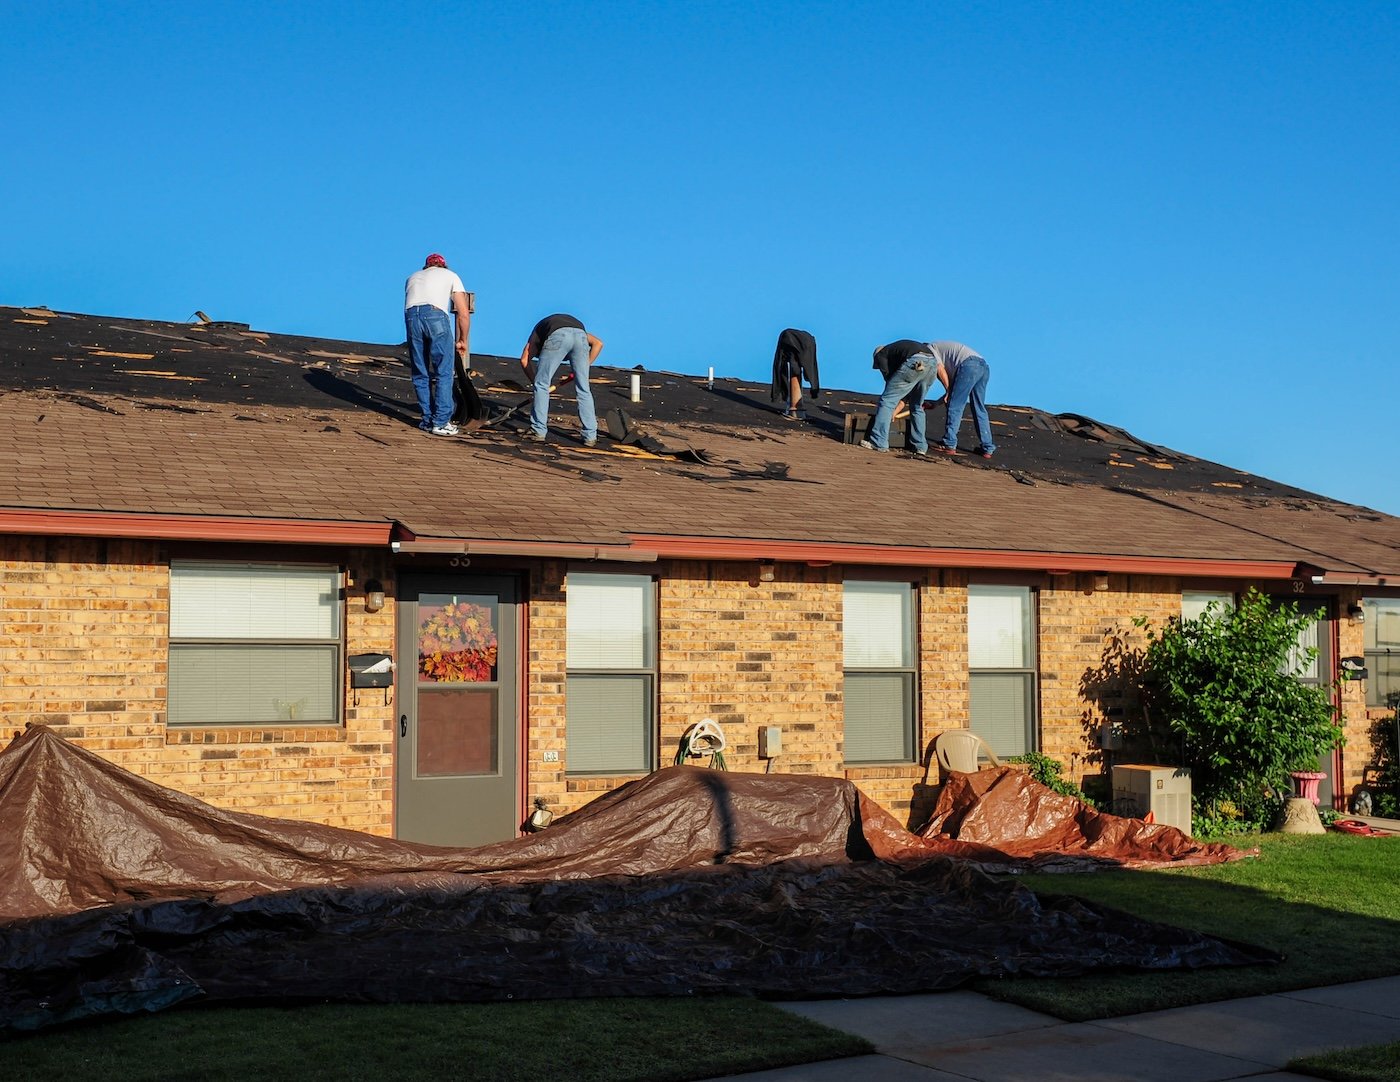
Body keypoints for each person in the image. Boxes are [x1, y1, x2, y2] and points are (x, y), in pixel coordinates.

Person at [404, 253, 472, 436]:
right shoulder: (451, 276)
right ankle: (441, 422)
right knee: (443, 371)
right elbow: (463, 313)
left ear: (426, 266)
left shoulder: (412, 277)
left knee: (420, 372)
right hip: (435, 315)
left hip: (411, 317)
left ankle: (427, 420)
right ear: (444, 265)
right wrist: (462, 340)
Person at [519, 314, 603, 446]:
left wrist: (537, 383)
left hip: (557, 336)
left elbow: (524, 360)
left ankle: (538, 431)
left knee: (541, 384)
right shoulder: (570, 327)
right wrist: (583, 368)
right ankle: (590, 436)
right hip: (580, 336)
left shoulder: (537, 335)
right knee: (583, 389)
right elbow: (598, 343)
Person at [860, 340, 939, 454]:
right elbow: (905, 389)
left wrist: (890, 410)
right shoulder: (898, 353)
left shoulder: (881, 354)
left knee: (886, 401)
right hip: (932, 364)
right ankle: (920, 447)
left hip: (915, 362)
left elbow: (889, 383)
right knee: (917, 406)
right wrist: (896, 409)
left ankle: (879, 442)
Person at [926, 341, 995, 458]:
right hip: (983, 366)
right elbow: (952, 392)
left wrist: (947, 391)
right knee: (979, 407)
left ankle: (949, 444)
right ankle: (987, 448)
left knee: (955, 406)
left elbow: (939, 368)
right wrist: (935, 404)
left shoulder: (929, 349)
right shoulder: (949, 358)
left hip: (969, 365)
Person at [770, 328, 820, 419]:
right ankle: (796, 407)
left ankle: (795, 407)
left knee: (791, 367)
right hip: (802, 342)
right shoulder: (802, 342)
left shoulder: (788, 339)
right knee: (795, 367)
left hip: (795, 341)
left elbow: (780, 367)